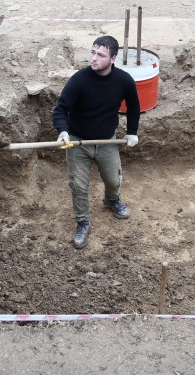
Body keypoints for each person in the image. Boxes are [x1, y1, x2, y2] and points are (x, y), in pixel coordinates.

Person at [52, 35, 141, 249]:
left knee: (113, 180)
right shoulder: (79, 80)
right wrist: (63, 131)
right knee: (79, 185)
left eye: (100, 55)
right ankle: (83, 221)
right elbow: (60, 110)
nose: (94, 58)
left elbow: (134, 106)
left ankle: (111, 199)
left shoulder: (124, 81)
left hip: (106, 140)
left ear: (113, 59)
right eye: (92, 52)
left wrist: (131, 132)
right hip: (77, 142)